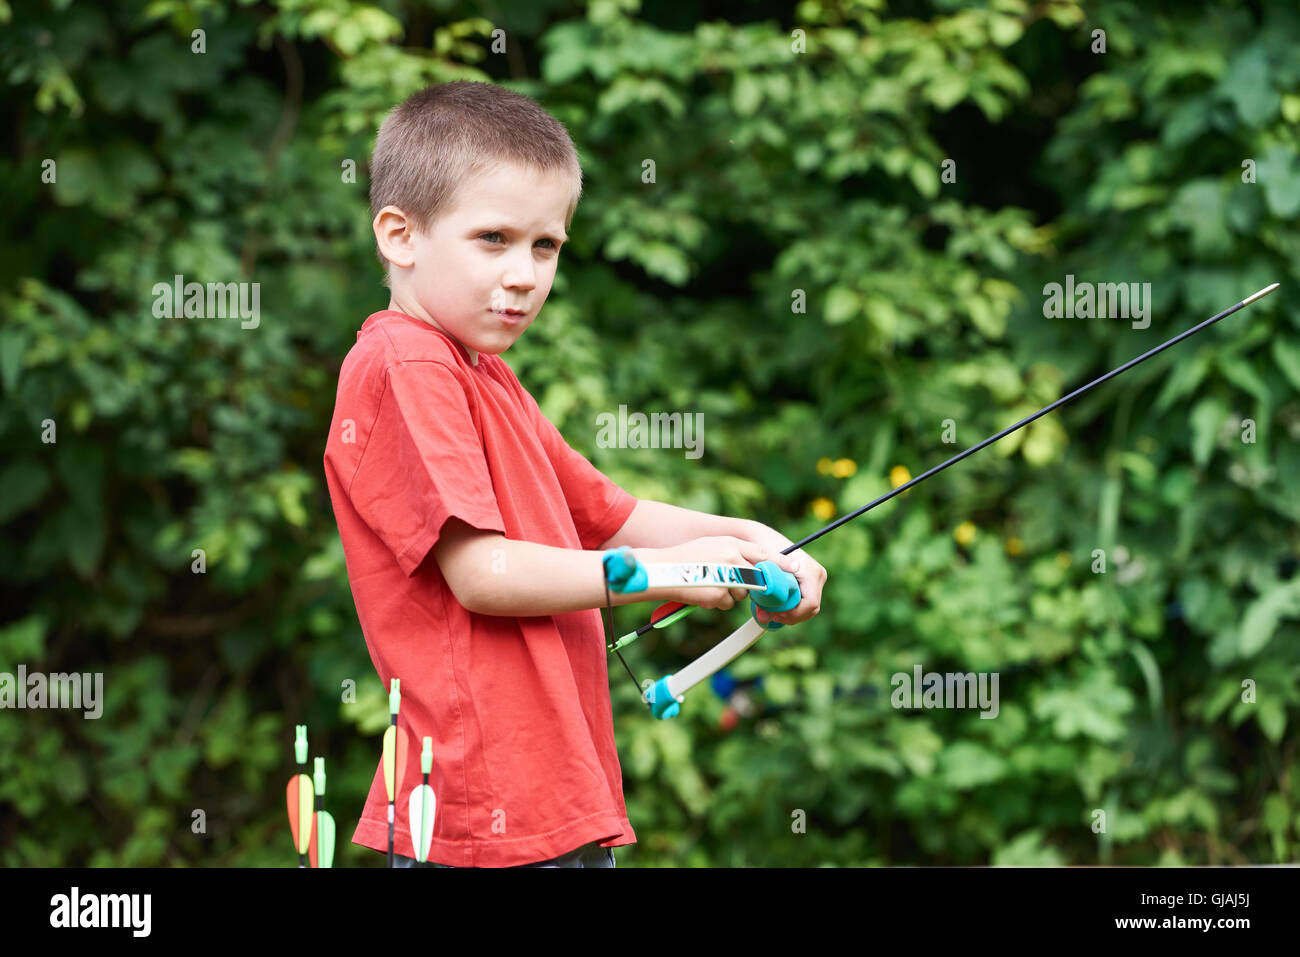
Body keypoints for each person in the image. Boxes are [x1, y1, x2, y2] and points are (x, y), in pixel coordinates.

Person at [323, 81, 827, 868]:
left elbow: (614, 516)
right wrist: (675, 570)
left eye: (546, 245)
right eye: (493, 238)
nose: (525, 273)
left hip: (550, 797)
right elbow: (483, 574)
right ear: (400, 235)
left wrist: (759, 542)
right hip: (482, 810)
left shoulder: (483, 374)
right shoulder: (405, 363)